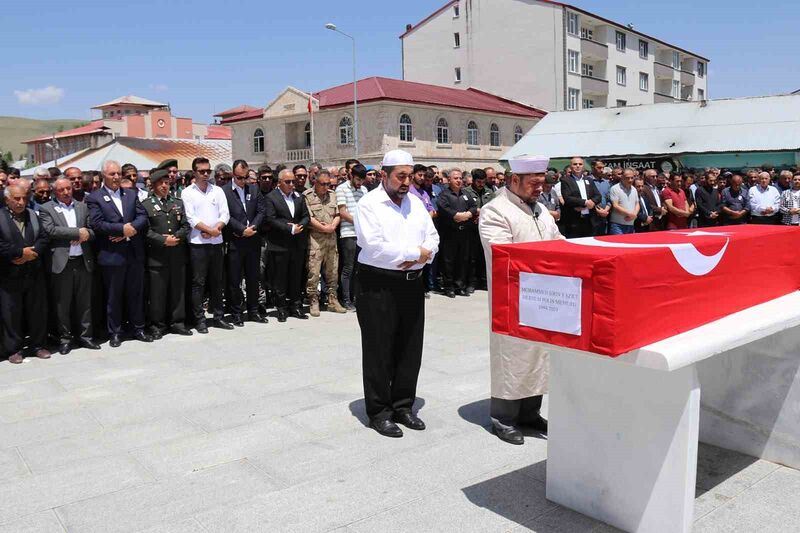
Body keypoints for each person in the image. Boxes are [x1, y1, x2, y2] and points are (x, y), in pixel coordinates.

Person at [479, 155, 564, 445]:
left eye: (542, 184)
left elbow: (558, 242)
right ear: (514, 180)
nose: (540, 190)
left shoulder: (539, 209)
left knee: (539, 354)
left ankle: (530, 412)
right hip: (512, 297)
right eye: (534, 184)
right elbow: (502, 254)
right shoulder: (495, 211)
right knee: (512, 355)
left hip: (542, 295)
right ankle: (503, 418)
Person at [355, 149, 439, 438]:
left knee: (410, 346)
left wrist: (421, 256)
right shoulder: (369, 204)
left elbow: (433, 237)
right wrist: (417, 253)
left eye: (409, 175)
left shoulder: (415, 203)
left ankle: (404, 405)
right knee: (379, 348)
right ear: (384, 175)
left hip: (412, 284)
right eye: (400, 176)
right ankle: (379, 412)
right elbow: (373, 246)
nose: (406, 182)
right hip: (378, 284)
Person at [86, 160, 152, 347]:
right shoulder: (94, 197)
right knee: (114, 296)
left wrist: (130, 228)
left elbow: (143, 217)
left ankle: (138, 328)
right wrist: (121, 229)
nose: (116, 177)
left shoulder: (130, 194)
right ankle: (115, 332)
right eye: (112, 174)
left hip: (134, 253)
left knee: (136, 293)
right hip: (112, 255)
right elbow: (97, 224)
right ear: (103, 176)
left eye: (118, 174)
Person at [39, 178, 100, 354]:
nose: (66, 192)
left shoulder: (82, 206)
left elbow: (92, 229)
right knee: (62, 304)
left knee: (84, 303)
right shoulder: (46, 209)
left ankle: (86, 337)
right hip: (62, 263)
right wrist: (75, 232)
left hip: (82, 260)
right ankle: (65, 339)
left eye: (68, 188)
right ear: (54, 192)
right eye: (61, 190)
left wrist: (85, 233)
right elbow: (50, 230)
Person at [181, 157, 234, 334]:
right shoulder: (187, 192)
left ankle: (218, 317)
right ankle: (199, 320)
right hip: (198, 244)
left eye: (207, 171)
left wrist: (215, 229)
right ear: (194, 172)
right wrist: (208, 230)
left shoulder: (217, 191)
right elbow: (191, 217)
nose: (205, 174)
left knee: (217, 281)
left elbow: (225, 214)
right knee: (198, 283)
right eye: (201, 171)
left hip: (216, 242)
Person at [0, 183, 51, 363]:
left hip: (33, 273)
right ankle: (13, 349)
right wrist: (20, 253)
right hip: (9, 275)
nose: (21, 202)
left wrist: (33, 253)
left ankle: (38, 345)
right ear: (7, 200)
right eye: (16, 199)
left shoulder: (33, 215)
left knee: (37, 311)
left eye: (24, 198)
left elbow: (44, 238)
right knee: (11, 314)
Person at [142, 168, 193, 338]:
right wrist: (163, 240)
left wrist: (175, 237)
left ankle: (177, 322)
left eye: (167, 183)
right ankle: (158, 325)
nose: (165, 186)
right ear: (153, 186)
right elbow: (145, 231)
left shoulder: (177, 203)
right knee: (158, 293)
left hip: (177, 254)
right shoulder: (146, 205)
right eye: (161, 183)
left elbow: (186, 225)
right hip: (157, 257)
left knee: (177, 291)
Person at [223, 160, 267, 326]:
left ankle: (253, 310)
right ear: (233, 176)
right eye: (239, 178)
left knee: (253, 278)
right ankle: (236, 312)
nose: (243, 181)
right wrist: (242, 229)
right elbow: (225, 215)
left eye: (245, 177)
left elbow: (261, 211)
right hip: (236, 240)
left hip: (253, 240)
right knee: (234, 279)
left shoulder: (254, 189)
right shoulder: (224, 191)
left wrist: (253, 227)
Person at [264, 169, 310, 322]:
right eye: (288, 182)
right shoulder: (271, 197)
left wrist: (299, 226)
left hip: (297, 244)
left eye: (293, 182)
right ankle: (282, 308)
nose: (292, 184)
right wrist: (289, 228)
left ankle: (295, 306)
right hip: (279, 245)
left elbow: (305, 216)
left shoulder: (299, 197)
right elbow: (270, 219)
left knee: (296, 276)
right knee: (280, 278)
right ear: (279, 182)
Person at [303, 170, 346, 317]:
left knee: (333, 270)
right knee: (314, 271)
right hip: (315, 238)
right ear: (315, 182)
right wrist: (324, 228)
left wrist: (332, 226)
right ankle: (313, 299)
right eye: (323, 184)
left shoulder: (333, 195)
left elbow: (338, 214)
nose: (326, 187)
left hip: (331, 238)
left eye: (328, 184)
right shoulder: (307, 196)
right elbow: (308, 217)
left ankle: (332, 299)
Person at [436, 168, 477, 298]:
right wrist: (456, 215)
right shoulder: (444, 195)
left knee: (463, 259)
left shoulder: (466, 193)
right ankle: (449, 287)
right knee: (449, 260)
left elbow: (473, 205)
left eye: (460, 178)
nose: (459, 180)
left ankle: (460, 286)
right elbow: (443, 208)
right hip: (450, 233)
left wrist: (469, 214)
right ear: (449, 180)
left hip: (464, 233)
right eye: (456, 178)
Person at [335, 164, 368, 311]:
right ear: (351, 175)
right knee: (348, 268)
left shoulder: (364, 190)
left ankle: (356, 297)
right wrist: (359, 223)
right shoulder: (341, 188)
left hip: (361, 234)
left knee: (358, 268)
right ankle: (346, 299)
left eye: (362, 180)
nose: (359, 182)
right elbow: (342, 212)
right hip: (348, 233)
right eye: (357, 179)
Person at [466, 168, 494, 292]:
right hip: (471, 229)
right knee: (472, 257)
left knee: (485, 256)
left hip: (487, 228)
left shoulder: (489, 192)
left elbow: (493, 208)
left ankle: (484, 281)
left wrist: (483, 215)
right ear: (473, 180)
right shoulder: (466, 192)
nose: (481, 184)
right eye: (479, 182)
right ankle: (472, 282)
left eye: (483, 181)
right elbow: (466, 208)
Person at [560, 157, 601, 238]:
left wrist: (592, 202)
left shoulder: (589, 180)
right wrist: (585, 202)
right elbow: (568, 198)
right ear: (571, 167)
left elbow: (598, 196)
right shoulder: (565, 181)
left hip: (590, 221)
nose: (578, 166)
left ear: (583, 166)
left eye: (580, 164)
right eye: (575, 164)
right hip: (574, 222)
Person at [607, 168, 640, 235]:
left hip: (631, 225)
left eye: (632, 178)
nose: (630, 180)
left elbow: (637, 204)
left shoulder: (634, 189)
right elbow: (615, 205)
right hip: (617, 225)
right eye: (627, 178)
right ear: (622, 177)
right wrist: (630, 214)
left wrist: (634, 215)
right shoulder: (615, 188)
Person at [590, 159, 611, 236]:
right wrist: (598, 211)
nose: (602, 170)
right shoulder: (587, 181)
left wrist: (605, 210)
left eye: (603, 168)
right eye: (599, 168)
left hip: (604, 217)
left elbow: (609, 199)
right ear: (592, 167)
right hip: (591, 217)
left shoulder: (606, 183)